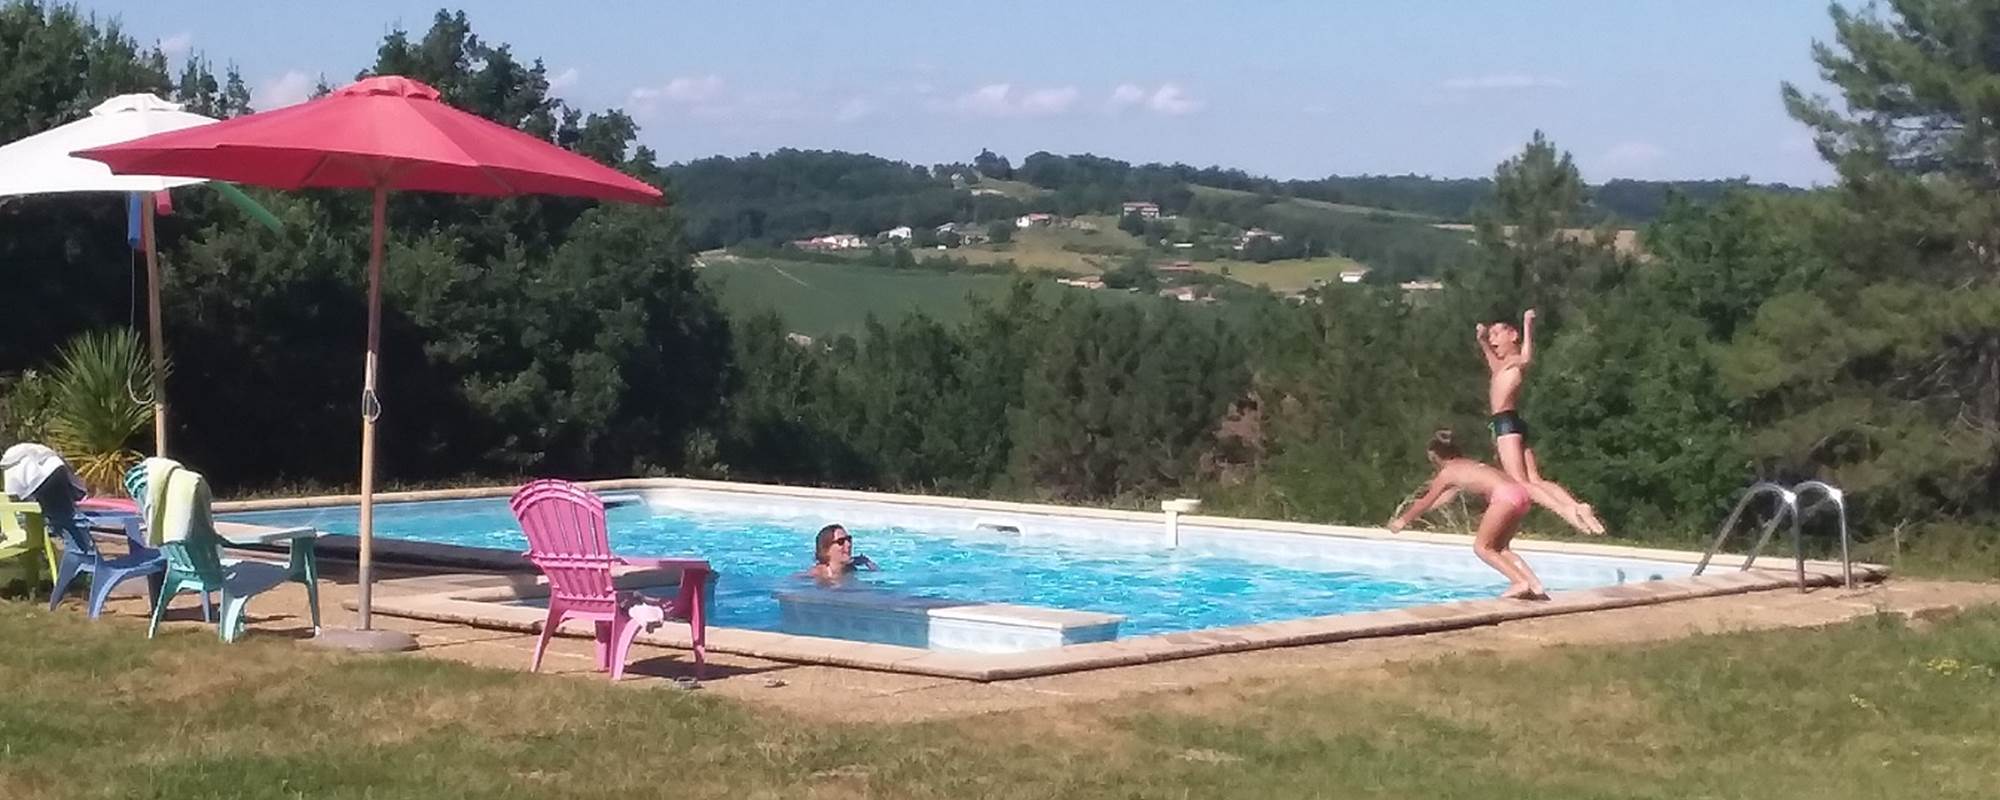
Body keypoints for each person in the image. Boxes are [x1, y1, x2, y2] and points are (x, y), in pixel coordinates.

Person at [1475, 309, 1607, 535]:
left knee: (1520, 483)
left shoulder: (1515, 361)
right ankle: (1576, 506)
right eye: (1491, 335)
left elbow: (1526, 358)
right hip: (1513, 423)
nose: (1493, 339)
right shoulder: (1502, 366)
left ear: (1513, 336)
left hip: (1505, 424)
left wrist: (1528, 325)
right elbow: (1492, 364)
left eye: (1497, 334)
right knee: (1535, 479)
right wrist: (1482, 342)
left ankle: (1565, 511)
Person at [1387, 430, 1548, 600]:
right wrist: (1424, 512)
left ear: (1435, 456)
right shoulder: (1469, 465)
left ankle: (1519, 583)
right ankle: (1535, 586)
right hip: (1521, 494)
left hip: (1504, 496)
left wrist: (1402, 520)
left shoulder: (1447, 472)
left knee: (1482, 547)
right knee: (1501, 548)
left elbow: (1425, 501)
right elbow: (1445, 497)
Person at [803, 524, 875, 582]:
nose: (848, 544)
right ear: (826, 549)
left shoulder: (851, 566)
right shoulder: (819, 573)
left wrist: (868, 563)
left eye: (849, 539)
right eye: (841, 542)